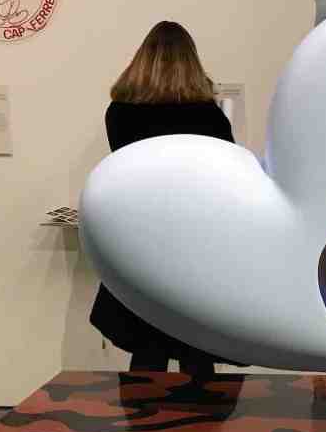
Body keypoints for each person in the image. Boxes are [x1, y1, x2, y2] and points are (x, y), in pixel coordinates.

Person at [89, 20, 240, 382]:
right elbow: (225, 171)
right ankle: (202, 416)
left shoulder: (119, 113)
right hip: (193, 236)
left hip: (140, 235)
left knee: (145, 344)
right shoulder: (207, 115)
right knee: (196, 345)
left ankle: (140, 417)